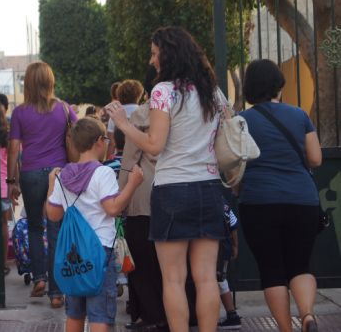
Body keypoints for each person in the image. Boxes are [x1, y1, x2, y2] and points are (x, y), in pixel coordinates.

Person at [107, 26, 228, 332]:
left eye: (154, 53)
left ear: (168, 55)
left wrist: (123, 123)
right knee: (205, 277)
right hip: (209, 187)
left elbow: (154, 145)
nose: (151, 61)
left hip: (173, 190)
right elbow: (224, 130)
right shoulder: (212, 91)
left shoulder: (164, 92)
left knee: (173, 279)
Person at [237, 59, 322, 332]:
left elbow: (232, 165)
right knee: (300, 264)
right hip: (302, 200)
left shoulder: (241, 121)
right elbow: (317, 159)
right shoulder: (299, 115)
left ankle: (286, 329)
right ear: (278, 86)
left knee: (271, 269)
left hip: (258, 201)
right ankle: (307, 314)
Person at [46, 117, 144, 332]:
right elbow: (112, 208)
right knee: (100, 314)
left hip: (73, 254)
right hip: (100, 250)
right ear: (99, 141)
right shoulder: (103, 172)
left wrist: (52, 184)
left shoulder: (64, 175)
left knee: (74, 313)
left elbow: (53, 215)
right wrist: (133, 184)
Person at [7, 61, 77, 308]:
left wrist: (11, 182)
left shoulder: (20, 112)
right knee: (55, 230)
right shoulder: (65, 109)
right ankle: (56, 293)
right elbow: (79, 136)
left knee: (35, 227)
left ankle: (38, 278)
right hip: (58, 174)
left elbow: (14, 148)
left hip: (31, 174)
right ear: (50, 81)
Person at [118, 88, 168, 332]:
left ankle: (150, 315)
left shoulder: (142, 114)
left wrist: (121, 195)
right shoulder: (192, 106)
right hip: (177, 190)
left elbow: (129, 158)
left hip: (144, 194)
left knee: (142, 262)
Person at [217, 199, 241, 330]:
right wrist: (235, 245)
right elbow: (233, 225)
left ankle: (231, 316)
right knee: (221, 280)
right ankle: (232, 315)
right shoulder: (223, 204)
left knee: (212, 282)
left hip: (212, 248)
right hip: (224, 248)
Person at [107, 80, 145, 159]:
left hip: (119, 158)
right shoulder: (144, 113)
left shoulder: (114, 113)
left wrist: (108, 161)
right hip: (139, 157)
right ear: (138, 94)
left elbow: (111, 143)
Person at [0, 101, 13, 276]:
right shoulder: (8, 136)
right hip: (4, 186)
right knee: (4, 225)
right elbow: (13, 162)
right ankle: (2, 263)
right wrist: (13, 183)